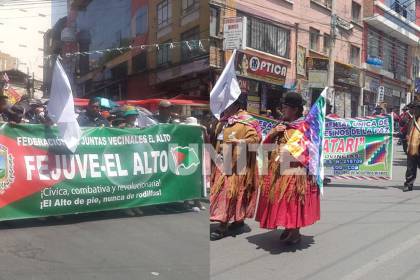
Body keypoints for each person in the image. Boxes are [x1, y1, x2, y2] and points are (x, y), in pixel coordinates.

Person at [256, 92, 320, 244]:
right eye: (282, 107)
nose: (282, 110)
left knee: (293, 200)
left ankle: (295, 231)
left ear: (295, 109)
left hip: (295, 171)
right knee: (281, 200)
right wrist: (272, 134)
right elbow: (265, 147)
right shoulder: (280, 125)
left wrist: (293, 151)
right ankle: (288, 227)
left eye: (285, 107)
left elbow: (312, 150)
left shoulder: (304, 128)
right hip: (278, 170)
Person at [210, 94, 262, 240]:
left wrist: (240, 141)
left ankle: (223, 226)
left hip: (238, 165)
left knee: (231, 193)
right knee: (223, 193)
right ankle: (238, 220)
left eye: (226, 105)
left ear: (235, 105)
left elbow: (256, 139)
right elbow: (214, 140)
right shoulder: (221, 121)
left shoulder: (247, 121)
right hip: (221, 163)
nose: (223, 108)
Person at [403, 102, 420, 192]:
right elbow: (405, 128)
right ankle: (408, 184)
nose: (413, 111)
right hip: (412, 148)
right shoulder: (411, 119)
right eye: (411, 109)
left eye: (414, 109)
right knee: (410, 168)